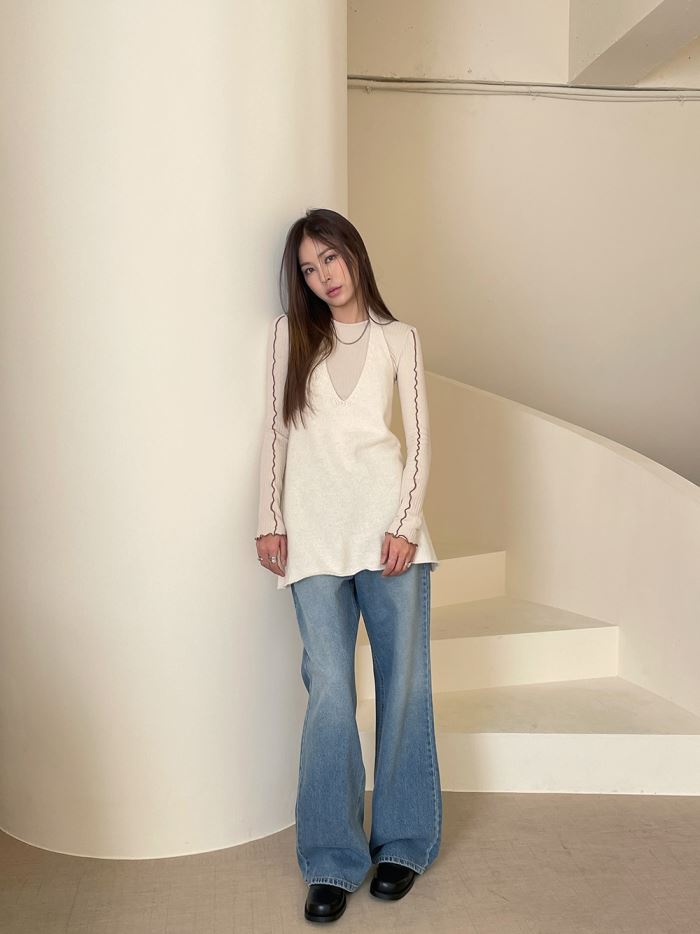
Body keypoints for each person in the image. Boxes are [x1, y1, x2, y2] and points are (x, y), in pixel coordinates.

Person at [255, 208, 442, 923]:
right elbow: (276, 432)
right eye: (308, 269)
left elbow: (419, 441)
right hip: (311, 535)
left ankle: (403, 843)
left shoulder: (400, 338)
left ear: (354, 254)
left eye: (330, 258)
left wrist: (405, 525)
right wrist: (269, 518)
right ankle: (332, 858)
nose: (323, 277)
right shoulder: (291, 335)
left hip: (389, 535)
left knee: (404, 687)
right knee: (331, 687)